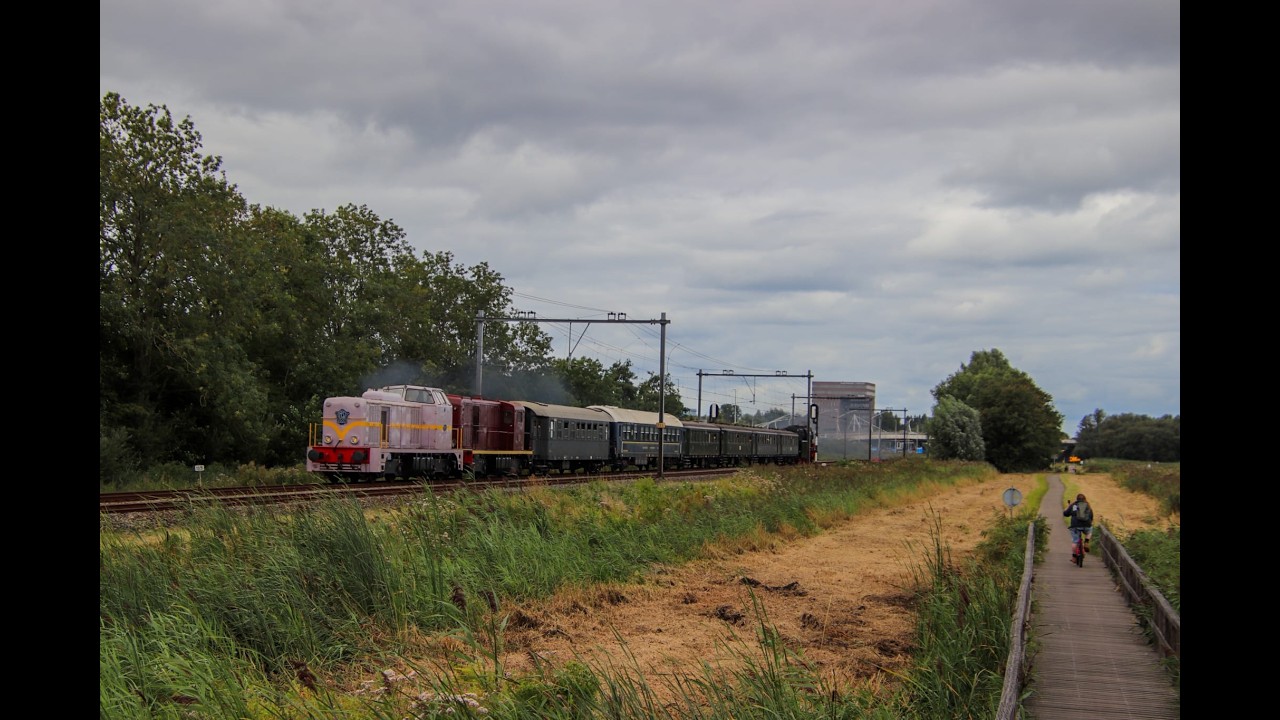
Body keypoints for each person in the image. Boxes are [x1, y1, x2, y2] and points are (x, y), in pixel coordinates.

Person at [1063, 492, 1094, 559]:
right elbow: (1091, 516)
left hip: (1075, 526)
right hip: (1086, 525)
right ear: (1085, 499)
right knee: (1089, 531)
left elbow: (1065, 514)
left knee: (1075, 541)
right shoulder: (1088, 505)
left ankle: (1074, 557)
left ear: (1077, 499)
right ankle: (1086, 541)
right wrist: (1089, 523)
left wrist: (1067, 507)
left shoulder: (1073, 505)